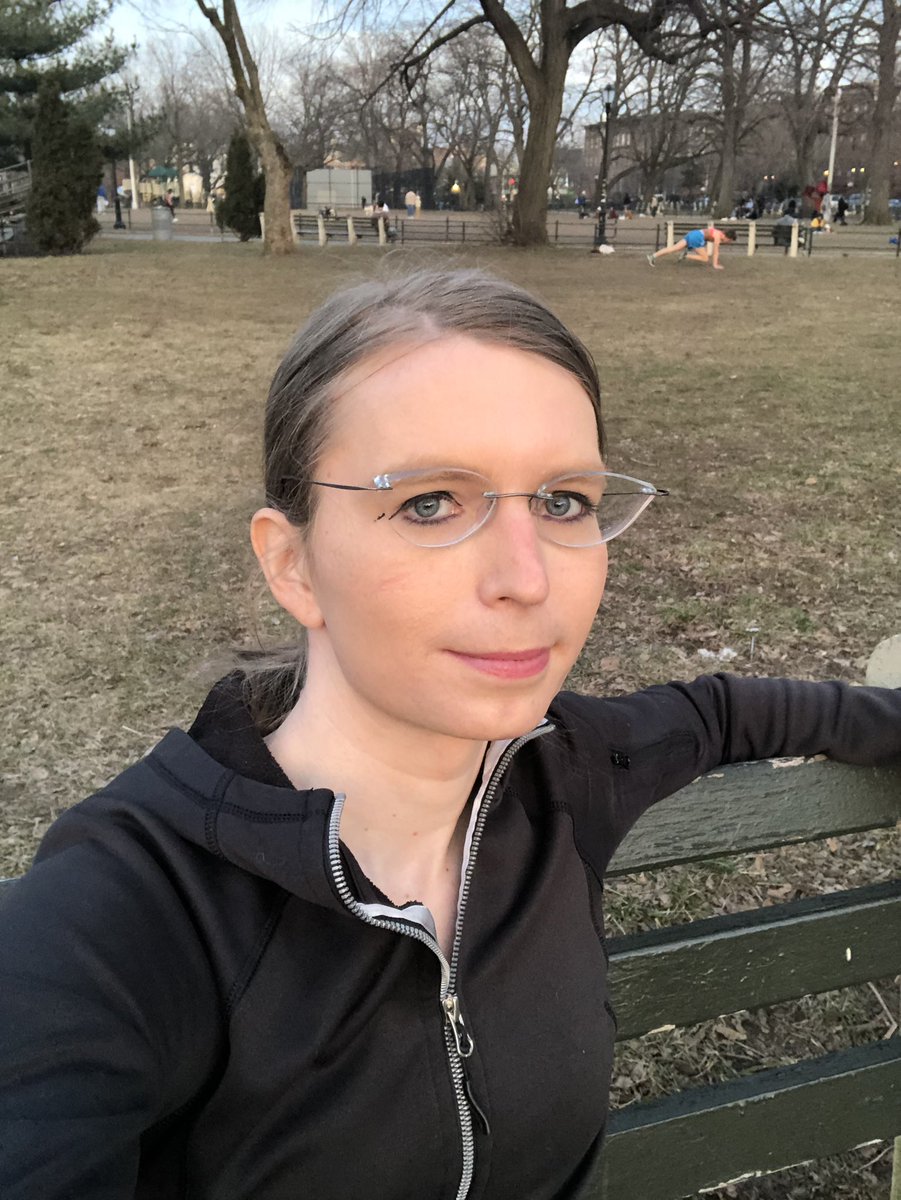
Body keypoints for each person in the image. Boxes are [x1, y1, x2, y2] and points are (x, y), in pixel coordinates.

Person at [1, 270, 899, 1200]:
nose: (527, 579)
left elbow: (720, 714)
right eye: (430, 502)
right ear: (293, 563)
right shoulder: (125, 919)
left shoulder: (565, 770)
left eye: (563, 501)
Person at [647, 225, 736, 269]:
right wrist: (715, 265)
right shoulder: (718, 236)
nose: (728, 242)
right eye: (729, 241)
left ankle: (653, 256)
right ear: (728, 237)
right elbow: (716, 251)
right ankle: (686, 255)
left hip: (693, 233)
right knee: (705, 258)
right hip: (697, 237)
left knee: (674, 248)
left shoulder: (717, 233)